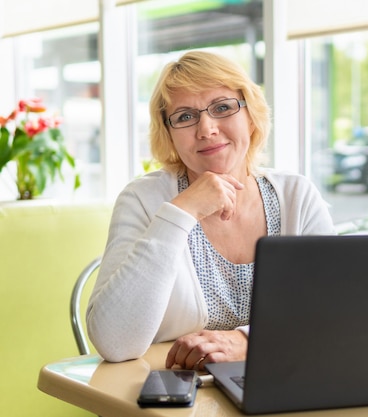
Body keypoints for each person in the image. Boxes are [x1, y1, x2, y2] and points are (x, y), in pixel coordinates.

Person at [86, 51, 336, 369]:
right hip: (181, 392)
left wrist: (247, 341)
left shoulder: (296, 195)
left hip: (286, 380)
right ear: (169, 133)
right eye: (185, 117)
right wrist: (181, 213)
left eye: (222, 108)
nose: (206, 129)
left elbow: (334, 314)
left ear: (250, 114)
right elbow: (115, 342)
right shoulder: (142, 199)